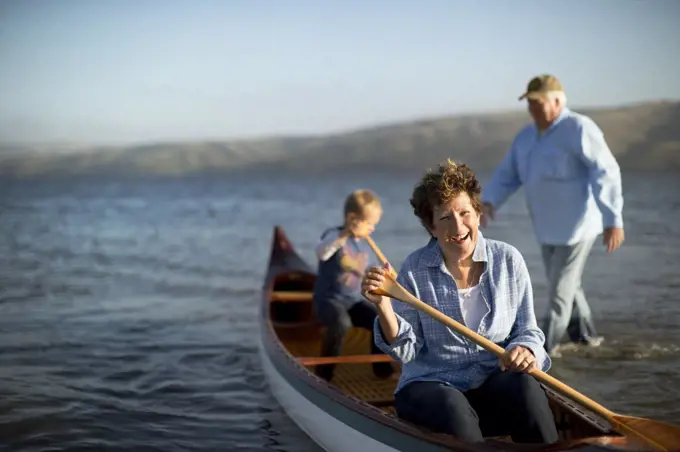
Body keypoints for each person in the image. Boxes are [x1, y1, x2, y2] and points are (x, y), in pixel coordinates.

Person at [361, 160, 558, 444]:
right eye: (444, 218)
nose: (458, 226)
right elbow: (405, 352)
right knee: (455, 408)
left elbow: (528, 330)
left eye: (465, 213)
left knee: (526, 387)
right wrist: (383, 306)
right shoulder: (414, 270)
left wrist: (526, 350)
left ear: (478, 214)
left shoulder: (508, 260)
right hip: (431, 388)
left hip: (490, 386)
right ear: (431, 227)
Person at [480, 74, 625, 356]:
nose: (533, 109)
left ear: (558, 101)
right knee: (570, 287)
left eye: (538, 102)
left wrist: (613, 219)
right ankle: (585, 338)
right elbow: (508, 175)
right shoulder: (525, 137)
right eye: (530, 103)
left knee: (560, 290)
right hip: (546, 228)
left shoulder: (579, 129)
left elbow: (606, 173)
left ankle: (540, 351)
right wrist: (488, 202)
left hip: (577, 227)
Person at [312, 189, 395, 382]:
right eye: (370, 224)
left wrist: (386, 277)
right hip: (329, 301)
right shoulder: (334, 236)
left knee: (379, 319)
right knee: (341, 323)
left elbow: (371, 272)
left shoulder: (366, 245)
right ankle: (324, 374)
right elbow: (321, 253)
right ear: (352, 218)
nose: (372, 229)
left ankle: (381, 369)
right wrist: (346, 232)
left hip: (354, 301)